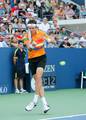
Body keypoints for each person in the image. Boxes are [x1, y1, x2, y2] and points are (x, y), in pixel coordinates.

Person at [24, 20, 56, 113]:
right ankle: (45, 104)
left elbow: (52, 41)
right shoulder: (26, 36)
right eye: (29, 28)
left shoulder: (42, 33)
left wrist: (50, 40)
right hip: (31, 60)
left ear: (36, 27)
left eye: (33, 28)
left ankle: (34, 101)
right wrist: (32, 44)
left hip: (41, 58)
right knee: (38, 82)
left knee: (38, 77)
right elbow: (29, 48)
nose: (31, 30)